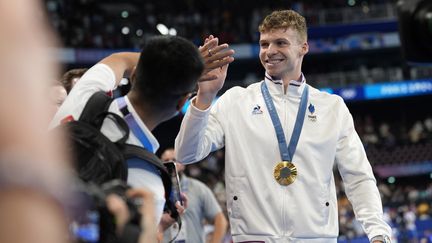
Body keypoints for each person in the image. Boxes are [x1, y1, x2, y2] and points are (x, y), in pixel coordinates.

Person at [175, 10, 392, 243]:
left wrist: (379, 232)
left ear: (303, 48)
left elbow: (358, 176)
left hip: (316, 237)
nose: (270, 51)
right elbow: (186, 154)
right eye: (264, 44)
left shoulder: (332, 108)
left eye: (281, 43)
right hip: (254, 237)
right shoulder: (235, 101)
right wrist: (205, 97)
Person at [51, 35, 234, 230]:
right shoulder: (150, 188)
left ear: (135, 75)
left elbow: (119, 59)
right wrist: (160, 228)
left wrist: (177, 66)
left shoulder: (84, 94)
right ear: (182, 103)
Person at [160, 148, 228, 243]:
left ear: (183, 164)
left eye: (174, 160)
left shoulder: (198, 188)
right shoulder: (157, 190)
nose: (171, 163)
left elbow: (220, 220)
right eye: (166, 161)